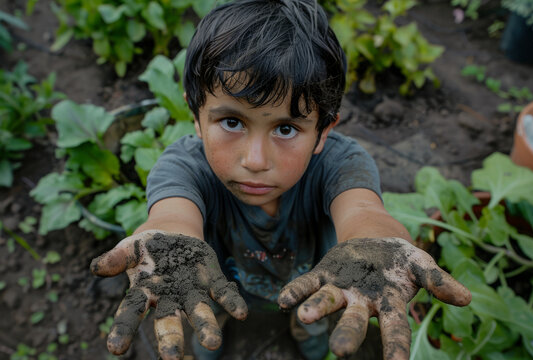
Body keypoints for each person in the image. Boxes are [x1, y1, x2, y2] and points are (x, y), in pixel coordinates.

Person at [90, 0, 472, 359]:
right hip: (215, 285)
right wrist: (169, 246)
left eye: (286, 129)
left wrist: (375, 246)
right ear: (196, 114)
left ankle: (306, 336)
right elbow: (171, 218)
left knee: (311, 322)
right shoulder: (183, 165)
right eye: (232, 122)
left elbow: (363, 212)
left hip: (314, 286)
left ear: (323, 131)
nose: (255, 161)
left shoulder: (342, 162)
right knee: (203, 318)